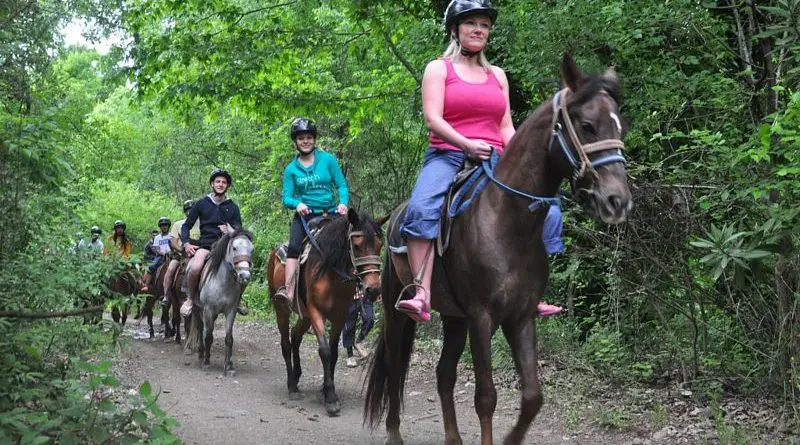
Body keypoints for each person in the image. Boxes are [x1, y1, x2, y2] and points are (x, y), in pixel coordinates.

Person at [276, 118, 349, 307]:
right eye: (301, 138)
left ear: (314, 139)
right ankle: (289, 291)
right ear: (296, 142)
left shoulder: (328, 160)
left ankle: (355, 288)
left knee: (349, 244)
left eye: (309, 137)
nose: (305, 141)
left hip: (330, 214)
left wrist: (343, 203)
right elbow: (286, 198)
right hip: (305, 217)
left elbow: (341, 185)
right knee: (293, 248)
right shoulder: (291, 169)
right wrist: (297, 204)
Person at [180, 169, 245, 316]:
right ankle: (190, 299)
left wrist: (230, 231)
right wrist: (186, 244)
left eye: (224, 182)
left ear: (227, 186)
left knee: (244, 266)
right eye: (218, 181)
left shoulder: (232, 207)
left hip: (226, 247)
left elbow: (239, 229)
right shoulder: (202, 204)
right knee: (195, 267)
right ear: (212, 184)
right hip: (206, 246)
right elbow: (186, 226)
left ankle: (238, 299)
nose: (220, 184)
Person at [160, 199, 200, 306]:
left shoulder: (202, 223)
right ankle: (166, 294)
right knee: (171, 269)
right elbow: (173, 242)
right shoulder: (178, 224)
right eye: (188, 210)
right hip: (182, 253)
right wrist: (181, 249)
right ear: (185, 211)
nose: (190, 212)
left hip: (199, 252)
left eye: (192, 209)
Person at [342, 295, 375, 367]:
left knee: (370, 319)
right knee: (349, 327)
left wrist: (378, 292)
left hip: (365, 296)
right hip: (349, 298)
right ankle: (350, 356)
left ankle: (359, 341)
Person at [141, 217, 172, 293]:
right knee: (152, 266)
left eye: (165, 225)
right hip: (161, 256)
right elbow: (157, 249)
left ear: (168, 226)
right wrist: (163, 253)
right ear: (160, 227)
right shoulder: (157, 238)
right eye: (162, 225)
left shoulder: (172, 235)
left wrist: (171, 252)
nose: (164, 226)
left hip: (172, 255)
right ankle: (147, 285)